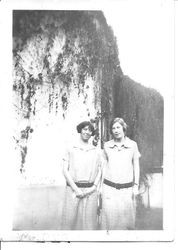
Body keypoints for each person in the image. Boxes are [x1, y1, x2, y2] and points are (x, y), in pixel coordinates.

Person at [101, 117, 141, 230]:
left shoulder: (133, 145)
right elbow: (103, 167)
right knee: (108, 222)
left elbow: (136, 166)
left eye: (118, 127)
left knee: (126, 223)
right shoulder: (107, 145)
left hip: (126, 189)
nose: (116, 130)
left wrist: (136, 186)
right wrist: (100, 187)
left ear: (123, 128)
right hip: (109, 188)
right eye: (113, 128)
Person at [62, 121, 102, 230]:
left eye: (89, 130)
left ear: (92, 133)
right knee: (69, 222)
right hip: (72, 190)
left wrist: (93, 187)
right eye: (84, 129)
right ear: (80, 130)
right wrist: (76, 189)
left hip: (90, 192)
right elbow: (65, 170)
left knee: (89, 224)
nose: (87, 132)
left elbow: (100, 170)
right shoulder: (71, 148)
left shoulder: (96, 151)